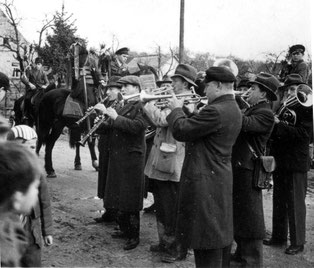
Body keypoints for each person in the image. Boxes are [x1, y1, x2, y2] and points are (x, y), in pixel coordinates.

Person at [165, 66, 242, 267]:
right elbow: (203, 133)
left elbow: (181, 131)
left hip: (205, 181)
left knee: (206, 242)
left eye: (207, 86)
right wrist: (191, 114)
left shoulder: (215, 110)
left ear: (217, 86)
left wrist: (175, 109)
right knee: (217, 241)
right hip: (218, 179)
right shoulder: (232, 107)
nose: (204, 91)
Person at [143, 64, 197, 257]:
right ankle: (165, 242)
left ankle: (177, 248)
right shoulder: (175, 98)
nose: (171, 83)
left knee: (171, 208)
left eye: (175, 80)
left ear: (185, 83)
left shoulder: (185, 100)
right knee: (162, 205)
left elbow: (161, 120)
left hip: (173, 160)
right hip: (163, 157)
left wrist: (146, 102)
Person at [94, 75, 148, 250]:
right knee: (119, 195)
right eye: (122, 86)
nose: (122, 89)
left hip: (132, 158)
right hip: (120, 157)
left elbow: (138, 127)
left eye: (127, 86)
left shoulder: (142, 104)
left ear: (137, 88)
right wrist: (101, 122)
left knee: (130, 199)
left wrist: (116, 117)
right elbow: (111, 126)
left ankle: (134, 236)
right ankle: (124, 229)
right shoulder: (123, 103)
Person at [232, 73, 280, 267]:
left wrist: (231, 101)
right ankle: (241, 254)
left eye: (253, 88)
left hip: (249, 170)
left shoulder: (265, 113)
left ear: (264, 95)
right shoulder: (254, 108)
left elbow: (244, 124)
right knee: (241, 213)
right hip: (242, 168)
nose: (248, 91)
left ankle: (252, 260)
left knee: (251, 217)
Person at [263, 74, 313, 255]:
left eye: (294, 89)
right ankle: (278, 236)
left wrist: (279, 125)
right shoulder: (284, 105)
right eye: (288, 89)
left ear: (302, 90)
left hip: (296, 161)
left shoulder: (308, 108)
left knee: (295, 203)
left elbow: (304, 135)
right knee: (279, 200)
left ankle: (298, 242)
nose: (291, 93)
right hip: (281, 159)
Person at [6, 125, 53, 267]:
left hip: (31, 229)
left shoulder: (37, 172)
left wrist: (48, 231)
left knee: (32, 261)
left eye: (33, 148)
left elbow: (45, 202)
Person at [0, 142, 42, 267]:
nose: (36, 192)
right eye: (34, 187)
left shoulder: (9, 222)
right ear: (17, 198)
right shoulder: (6, 249)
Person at [94, 76, 122, 224]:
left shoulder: (120, 104)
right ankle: (108, 211)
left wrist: (104, 112)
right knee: (104, 177)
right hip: (105, 144)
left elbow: (115, 124)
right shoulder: (108, 103)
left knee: (112, 180)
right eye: (108, 88)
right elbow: (105, 126)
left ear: (120, 91)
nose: (108, 92)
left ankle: (115, 213)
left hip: (115, 146)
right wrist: (98, 118)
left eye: (111, 89)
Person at [143, 75, 173, 214]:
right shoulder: (159, 100)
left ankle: (159, 205)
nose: (164, 89)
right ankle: (156, 202)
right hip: (155, 142)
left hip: (167, 147)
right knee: (153, 178)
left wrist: (149, 103)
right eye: (162, 86)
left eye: (168, 86)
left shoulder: (174, 102)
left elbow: (161, 119)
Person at [21, 57, 49, 121]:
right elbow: (24, 79)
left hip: (40, 89)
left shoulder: (43, 73)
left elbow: (47, 82)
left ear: (41, 65)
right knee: (27, 98)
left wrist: (45, 86)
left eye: (39, 64)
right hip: (32, 89)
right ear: (35, 64)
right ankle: (26, 114)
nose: (38, 65)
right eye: (37, 64)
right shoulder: (30, 71)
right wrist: (29, 84)